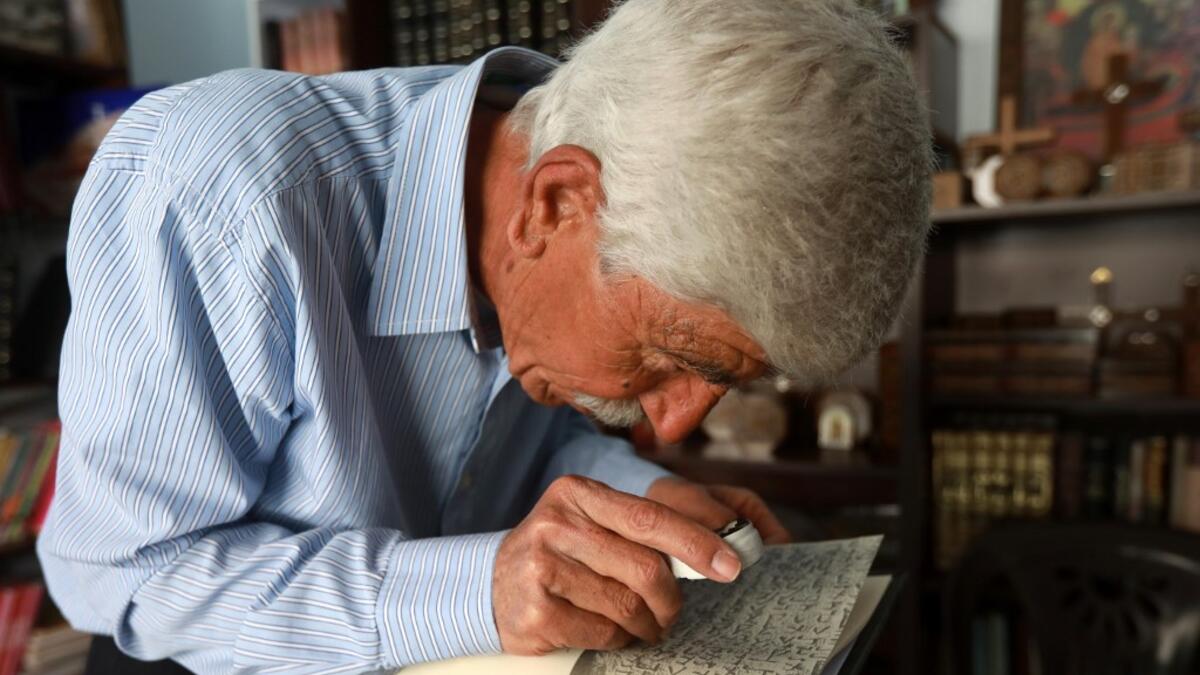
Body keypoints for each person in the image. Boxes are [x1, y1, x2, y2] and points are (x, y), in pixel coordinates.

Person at [37, 0, 931, 672]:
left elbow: (520, 440)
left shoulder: (585, 219)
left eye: (726, 381)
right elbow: (126, 572)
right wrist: (477, 590)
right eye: (676, 359)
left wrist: (642, 499)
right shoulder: (222, 190)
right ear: (555, 202)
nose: (671, 425)